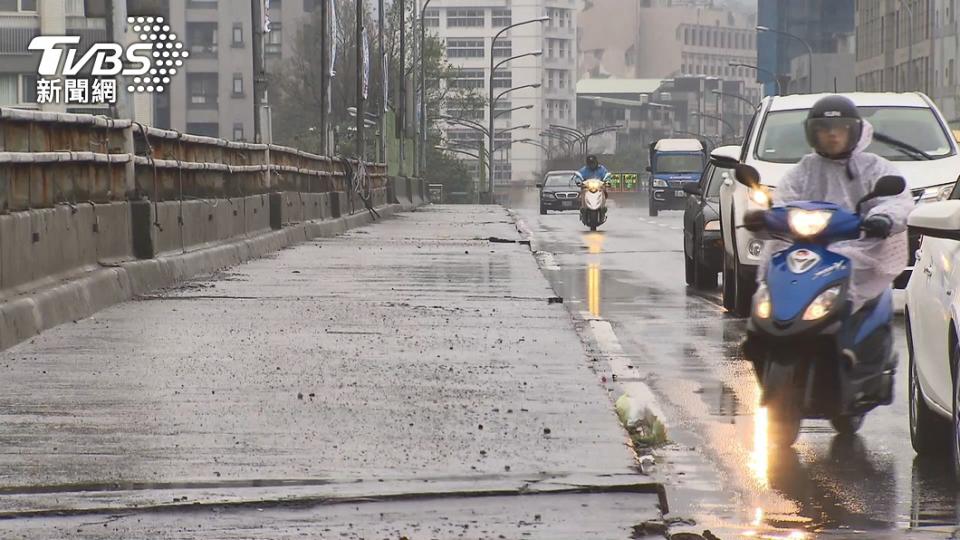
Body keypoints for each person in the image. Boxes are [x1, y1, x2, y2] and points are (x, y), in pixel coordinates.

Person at [755, 95, 915, 314]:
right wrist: (764, 219)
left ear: (854, 131)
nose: (832, 134)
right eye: (824, 128)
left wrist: (883, 218)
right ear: (812, 133)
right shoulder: (804, 169)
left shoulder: (874, 167)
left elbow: (897, 201)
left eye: (840, 128)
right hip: (807, 247)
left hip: (861, 247)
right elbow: (783, 199)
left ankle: (856, 328)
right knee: (773, 279)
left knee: (865, 291)